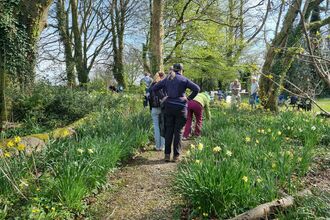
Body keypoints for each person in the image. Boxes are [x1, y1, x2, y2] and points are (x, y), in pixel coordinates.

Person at [152, 63, 200, 162]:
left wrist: (163, 97)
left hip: (169, 107)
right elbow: (197, 89)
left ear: (173, 69)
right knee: (178, 132)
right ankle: (176, 156)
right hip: (181, 108)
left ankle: (166, 155)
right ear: (182, 70)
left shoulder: (167, 79)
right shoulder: (184, 79)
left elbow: (154, 88)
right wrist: (188, 98)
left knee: (169, 130)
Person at [148, 72, 166, 151]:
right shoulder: (164, 85)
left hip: (154, 109)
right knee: (163, 127)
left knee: (156, 127)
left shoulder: (151, 86)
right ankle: (162, 146)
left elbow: (149, 98)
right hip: (162, 108)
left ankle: (157, 146)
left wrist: (151, 109)